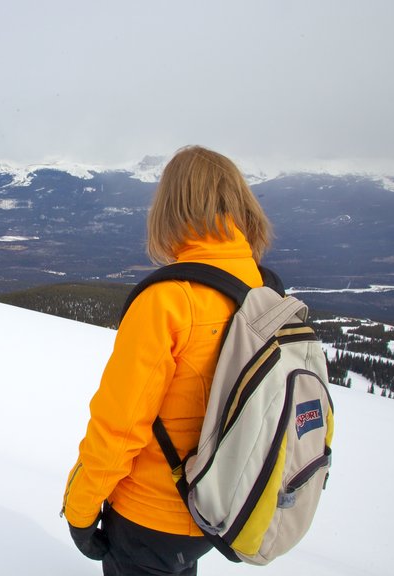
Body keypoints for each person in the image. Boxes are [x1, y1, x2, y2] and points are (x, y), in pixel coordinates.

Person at [61, 145, 273, 575]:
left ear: (171, 209)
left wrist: (80, 511)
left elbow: (119, 426)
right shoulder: (261, 291)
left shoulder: (168, 301)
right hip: (215, 511)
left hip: (148, 515)